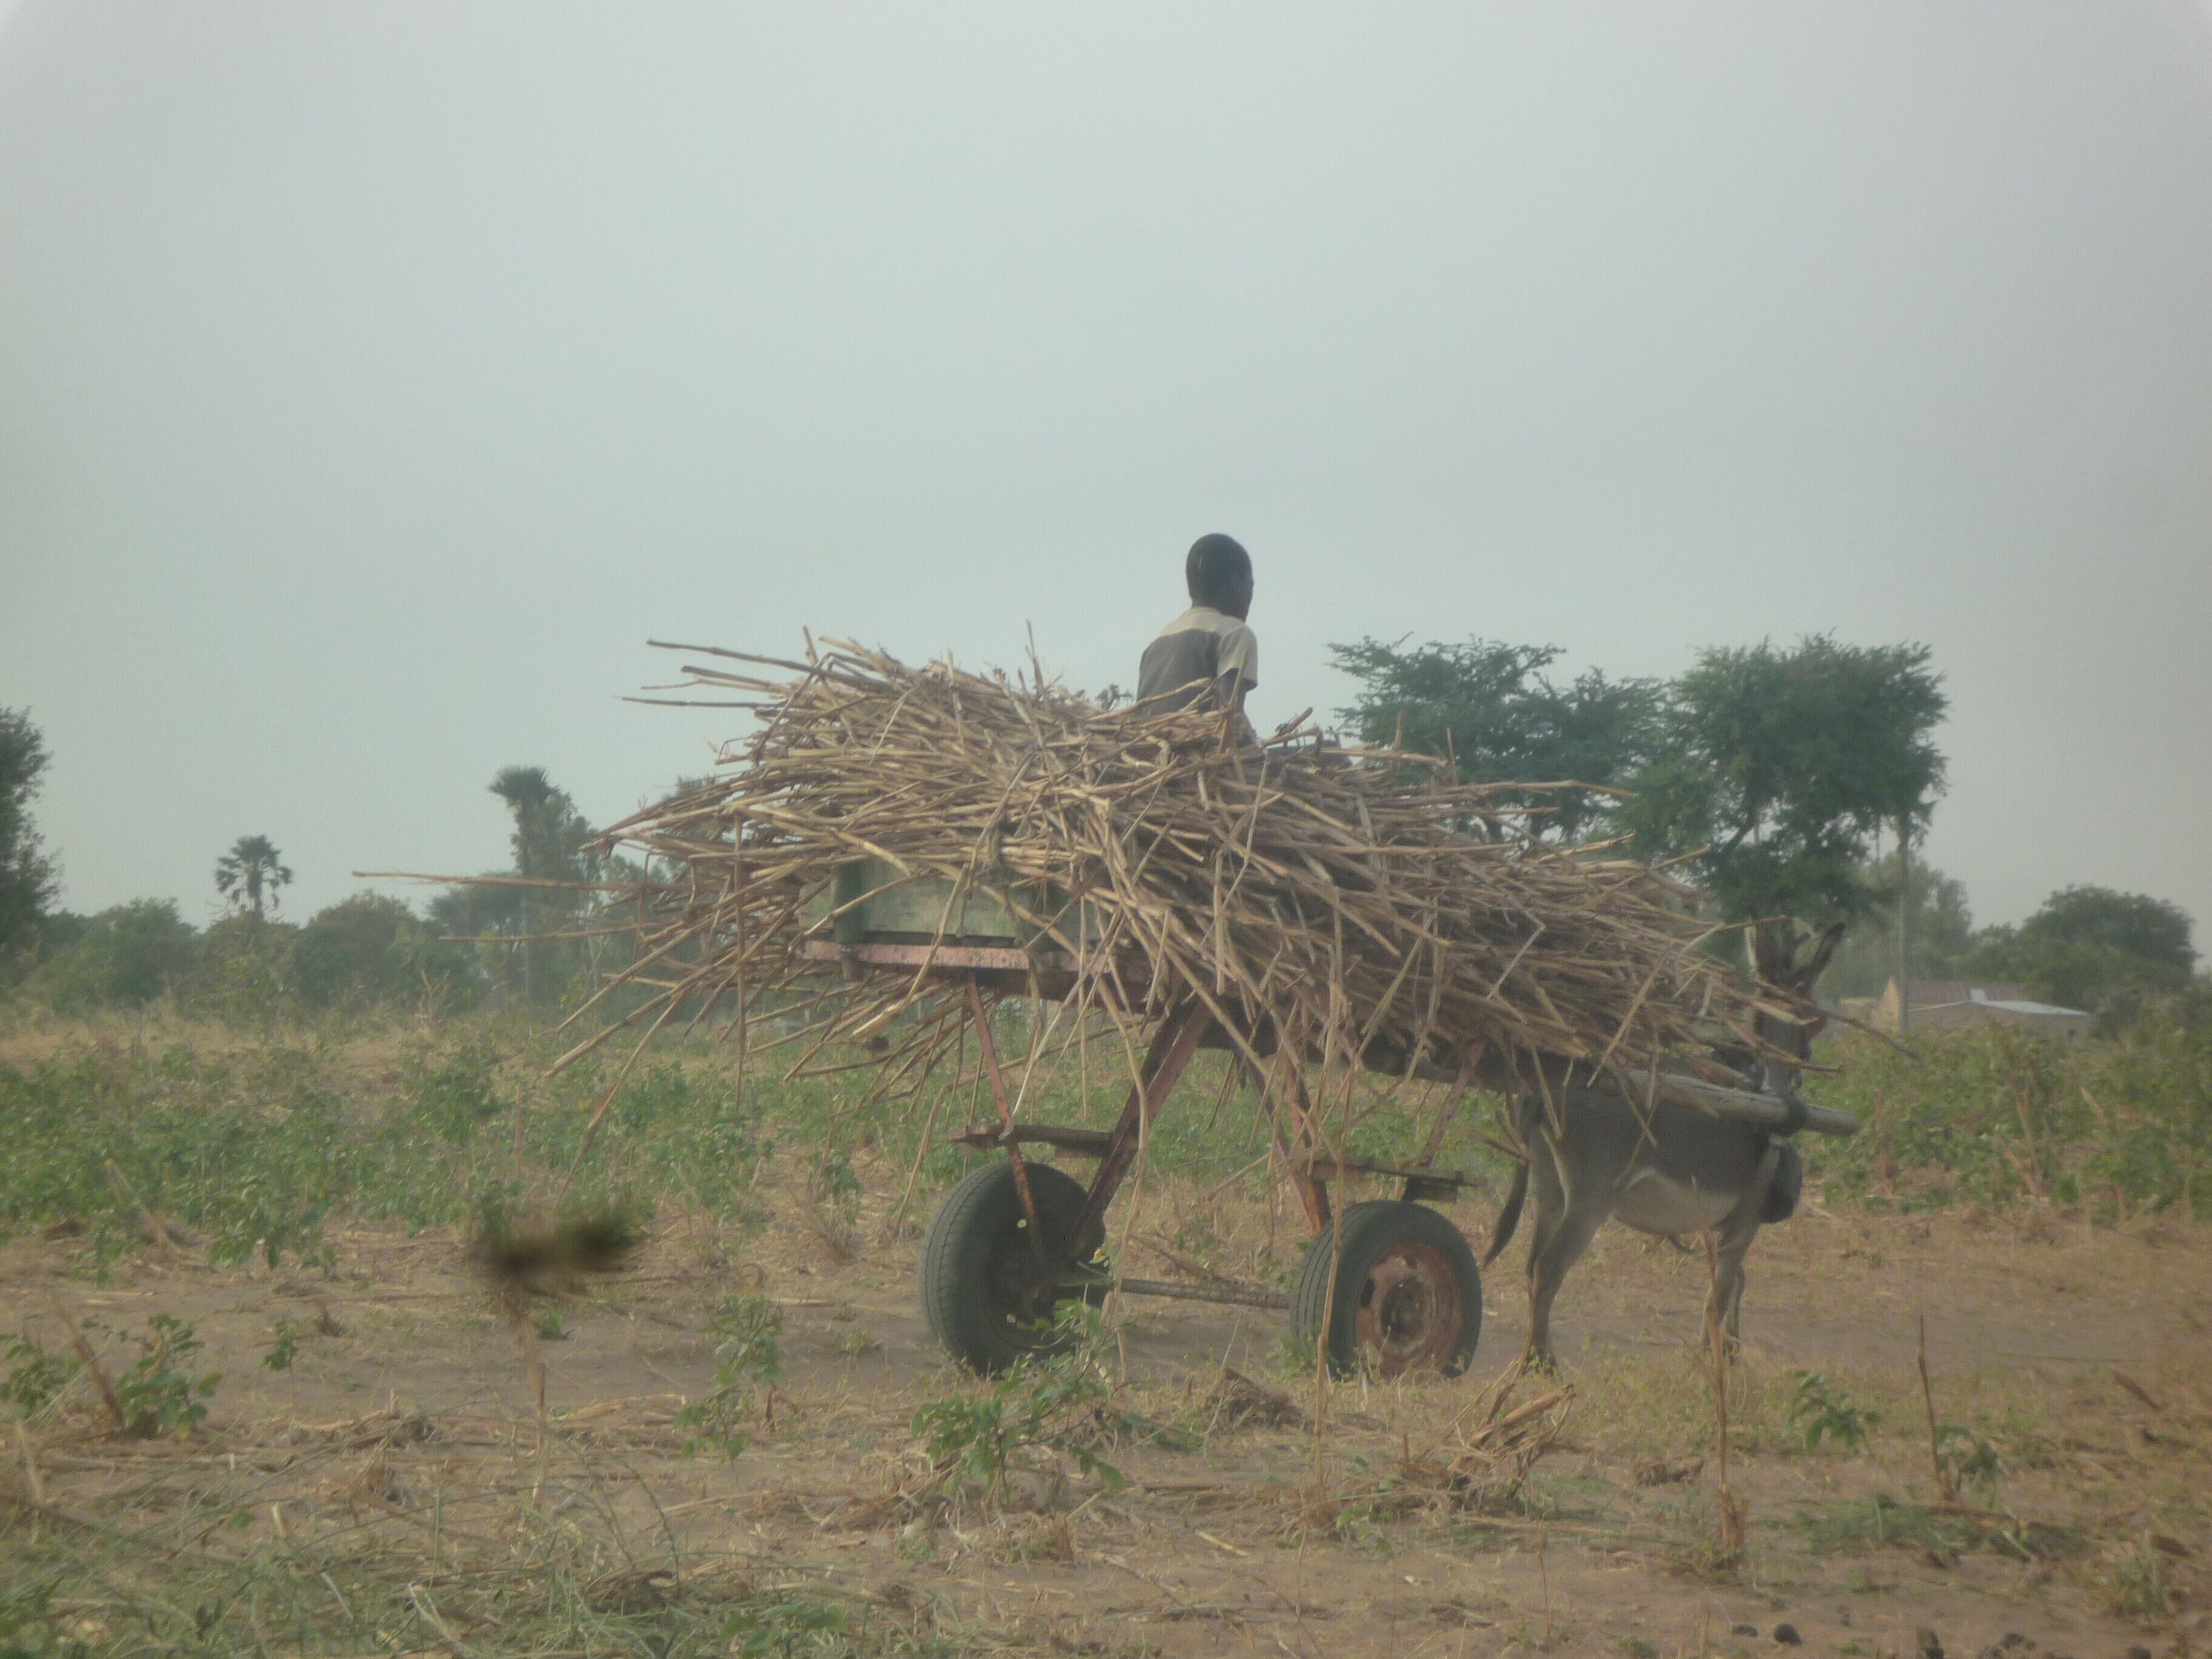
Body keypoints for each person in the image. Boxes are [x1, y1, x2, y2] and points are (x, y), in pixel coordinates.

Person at [1136, 532, 1258, 719]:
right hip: (1201, 745)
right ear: (1235, 585)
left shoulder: (1156, 644)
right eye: (1251, 586)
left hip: (1150, 745)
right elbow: (1229, 717)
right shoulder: (1235, 633)